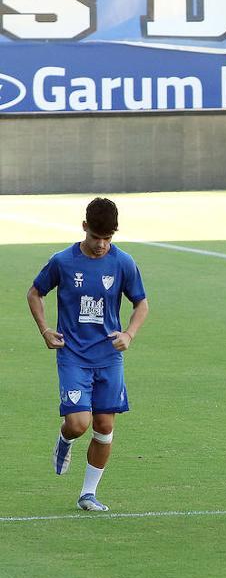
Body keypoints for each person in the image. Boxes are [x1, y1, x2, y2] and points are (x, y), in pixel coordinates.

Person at [26, 197, 149, 512]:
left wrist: (129, 334)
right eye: (96, 237)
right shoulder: (63, 261)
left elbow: (141, 304)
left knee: (105, 426)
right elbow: (35, 292)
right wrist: (45, 330)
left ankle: (87, 495)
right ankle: (65, 439)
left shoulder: (123, 262)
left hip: (108, 356)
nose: (101, 245)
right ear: (84, 228)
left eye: (108, 238)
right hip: (73, 355)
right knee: (79, 424)